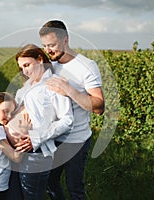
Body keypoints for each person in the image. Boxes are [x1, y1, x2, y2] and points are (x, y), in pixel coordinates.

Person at [0, 44, 74, 200]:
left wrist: (36, 138)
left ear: (40, 59)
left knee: (31, 196)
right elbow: (10, 109)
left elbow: (67, 120)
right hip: (15, 153)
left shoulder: (54, 84)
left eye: (27, 65)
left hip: (35, 153)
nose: (24, 71)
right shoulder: (26, 87)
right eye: (21, 67)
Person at [39, 20, 105, 200]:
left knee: (74, 187)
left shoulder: (86, 66)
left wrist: (70, 91)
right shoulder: (49, 63)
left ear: (66, 40)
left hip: (76, 140)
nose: (48, 50)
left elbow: (99, 106)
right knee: (50, 183)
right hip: (52, 138)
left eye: (52, 45)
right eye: (44, 46)